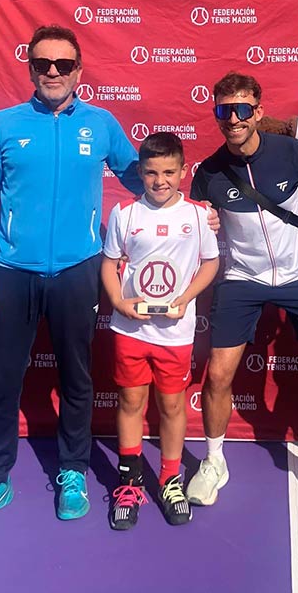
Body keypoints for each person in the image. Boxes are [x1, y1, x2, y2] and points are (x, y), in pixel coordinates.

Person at [0, 24, 143, 535]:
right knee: (1, 384)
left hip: (78, 272)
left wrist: (191, 210)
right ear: (30, 68)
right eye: (43, 64)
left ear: (79, 70)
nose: (53, 72)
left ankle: (73, 473)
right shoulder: (3, 125)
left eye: (63, 64)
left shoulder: (101, 124)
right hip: (9, 274)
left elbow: (142, 180)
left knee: (78, 380)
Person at [186, 72, 298, 506]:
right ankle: (214, 461)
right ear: (216, 114)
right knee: (217, 375)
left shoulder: (293, 154)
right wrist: (205, 222)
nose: (233, 118)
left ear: (257, 111)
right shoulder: (209, 173)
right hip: (243, 278)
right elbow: (197, 227)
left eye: (241, 109)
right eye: (224, 110)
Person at [101, 132, 219, 529]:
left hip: (175, 334)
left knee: (171, 406)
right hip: (131, 331)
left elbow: (210, 264)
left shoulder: (199, 216)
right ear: (140, 172)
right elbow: (109, 263)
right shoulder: (125, 213)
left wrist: (186, 299)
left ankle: (170, 478)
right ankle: (129, 480)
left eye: (169, 171)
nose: (160, 180)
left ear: (184, 172)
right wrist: (119, 303)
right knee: (131, 402)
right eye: (151, 172)